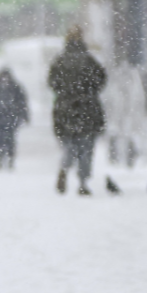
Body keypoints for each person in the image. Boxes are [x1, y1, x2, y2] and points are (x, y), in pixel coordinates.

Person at [48, 26, 107, 196]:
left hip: (65, 109)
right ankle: (83, 182)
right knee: (86, 148)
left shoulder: (60, 60)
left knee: (69, 144)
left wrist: (65, 94)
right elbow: (101, 79)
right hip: (87, 108)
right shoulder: (89, 60)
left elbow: (52, 82)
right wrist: (87, 92)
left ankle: (64, 166)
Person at [0, 68, 29, 170]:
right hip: (0, 118)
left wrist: (24, 115)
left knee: (10, 140)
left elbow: (22, 103)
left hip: (10, 118)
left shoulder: (14, 88)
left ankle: (9, 159)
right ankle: (1, 158)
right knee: (0, 140)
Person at [104, 64, 146, 168]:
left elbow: (138, 101)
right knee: (118, 134)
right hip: (119, 115)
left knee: (128, 135)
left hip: (127, 115)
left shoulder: (132, 85)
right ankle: (117, 156)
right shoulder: (117, 86)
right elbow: (109, 102)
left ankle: (128, 156)